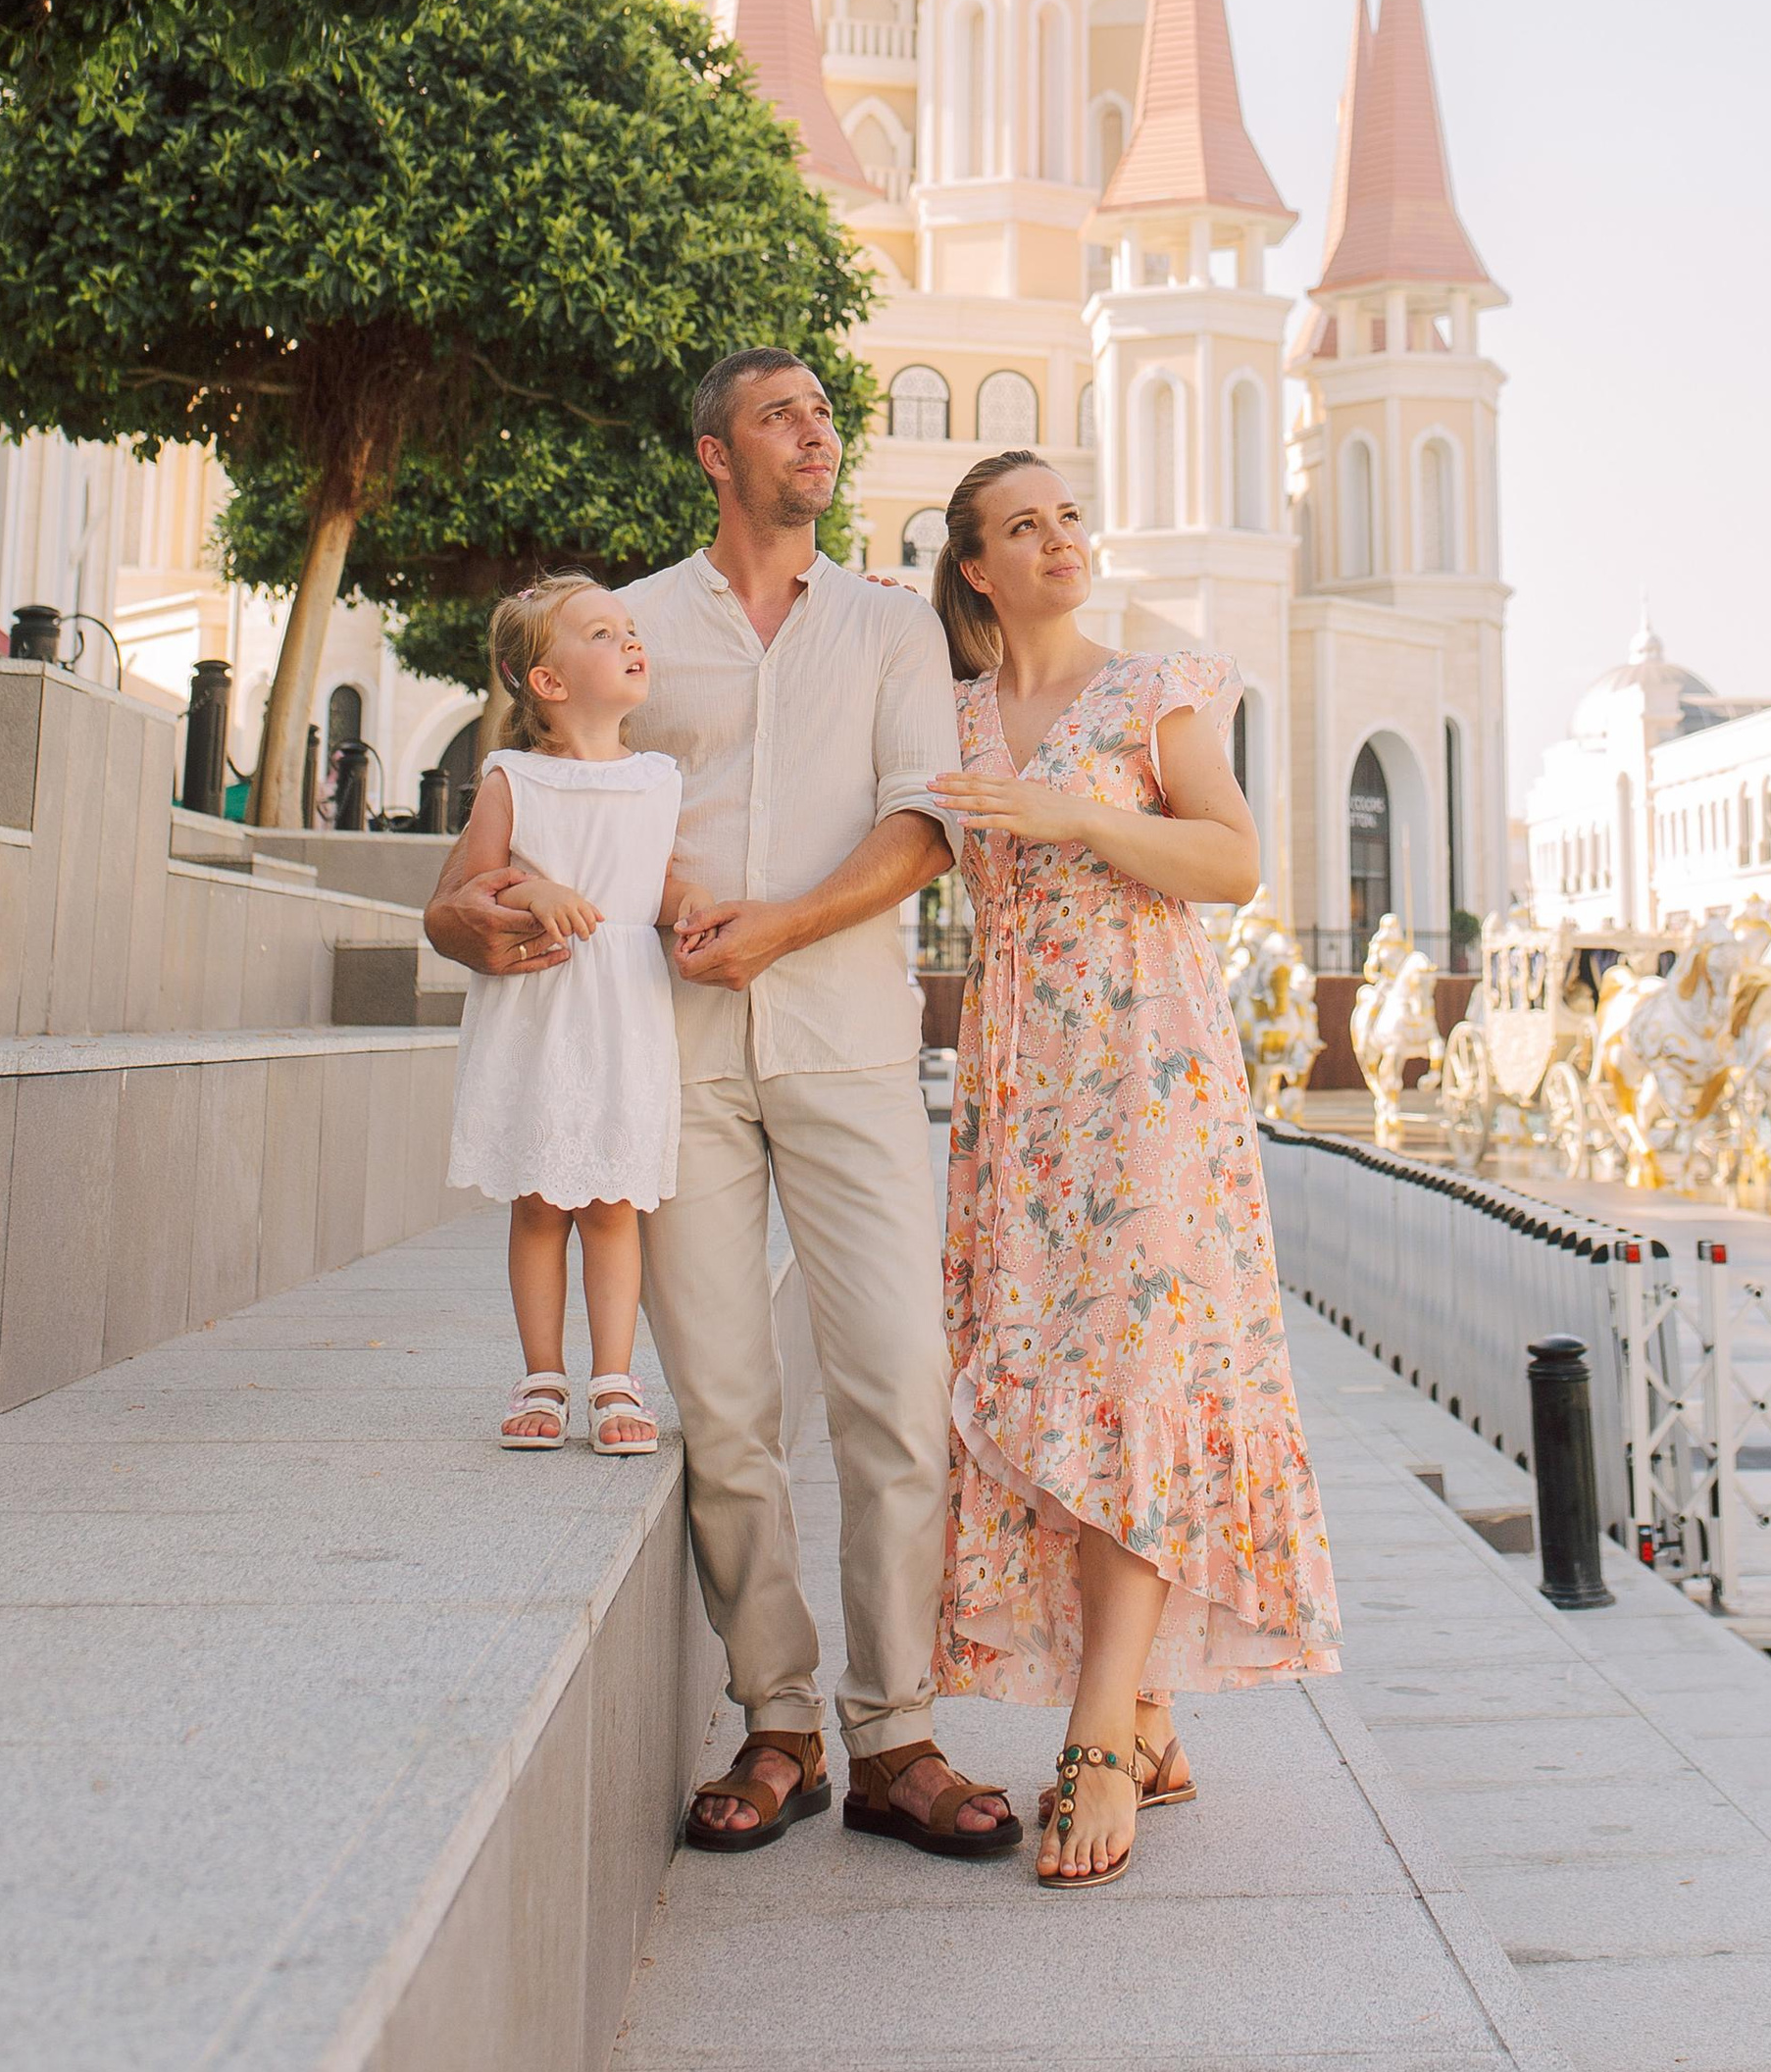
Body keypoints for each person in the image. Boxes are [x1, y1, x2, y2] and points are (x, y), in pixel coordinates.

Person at [427, 349, 1020, 1865]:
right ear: (713, 453)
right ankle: (781, 1720)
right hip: (665, 1054)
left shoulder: (894, 628)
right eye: (782, 414)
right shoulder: (631, 625)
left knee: (895, 1389)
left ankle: (901, 1734)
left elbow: (927, 826)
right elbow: (557, 815)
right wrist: (531, 917)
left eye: (827, 414)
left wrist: (782, 926)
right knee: (729, 1409)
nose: (817, 433)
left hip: (846, 1043)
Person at [923, 449, 1341, 1889]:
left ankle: (1100, 1733)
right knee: (1044, 1373)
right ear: (976, 568)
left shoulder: (1152, 690)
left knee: (1139, 1375)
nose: (1059, 543)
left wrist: (1084, 816)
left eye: (1068, 519)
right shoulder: (956, 715)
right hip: (1021, 1086)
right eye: (1023, 528)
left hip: (1152, 1077)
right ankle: (1150, 1715)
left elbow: (1233, 865)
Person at [438, 576, 682, 1458]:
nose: (629, 640)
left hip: (622, 1007)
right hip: (542, 1006)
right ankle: (541, 1371)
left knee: (614, 1202)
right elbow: (470, 888)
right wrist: (532, 887)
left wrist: (696, 914)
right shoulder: (513, 779)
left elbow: (654, 886)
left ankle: (615, 1375)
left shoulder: (660, 778)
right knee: (542, 1203)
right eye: (601, 632)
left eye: (629, 629)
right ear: (546, 681)